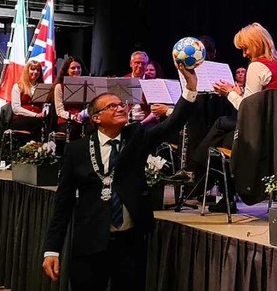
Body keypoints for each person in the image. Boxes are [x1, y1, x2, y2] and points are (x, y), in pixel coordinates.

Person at [42, 62, 197, 291]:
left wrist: (191, 87)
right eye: (112, 106)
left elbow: (172, 124)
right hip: (90, 244)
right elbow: (63, 203)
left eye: (121, 104)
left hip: (130, 245)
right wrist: (52, 249)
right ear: (96, 118)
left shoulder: (136, 138)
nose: (121, 108)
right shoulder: (77, 151)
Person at [170, 23, 277, 213]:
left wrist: (229, 93)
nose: (244, 54)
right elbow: (261, 104)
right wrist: (240, 92)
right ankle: (202, 180)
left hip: (259, 135)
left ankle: (191, 171)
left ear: (256, 43)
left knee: (219, 132)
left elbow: (248, 112)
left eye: (245, 48)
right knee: (223, 132)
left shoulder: (257, 66)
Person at [52, 56, 88, 142]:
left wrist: (82, 115)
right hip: (66, 120)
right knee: (73, 130)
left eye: (78, 68)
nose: (76, 70)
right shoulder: (59, 86)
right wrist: (73, 117)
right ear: (67, 70)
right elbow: (59, 111)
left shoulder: (88, 85)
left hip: (84, 119)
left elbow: (90, 106)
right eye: (73, 68)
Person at [10, 59, 46, 140]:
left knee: (45, 122)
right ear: (27, 71)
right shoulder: (18, 86)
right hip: (21, 119)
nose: (36, 72)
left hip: (38, 120)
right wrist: (35, 115)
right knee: (38, 123)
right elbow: (16, 108)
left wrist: (44, 112)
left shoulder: (43, 87)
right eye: (32, 69)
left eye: (38, 70)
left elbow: (45, 105)